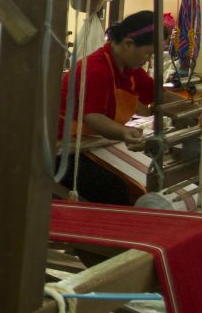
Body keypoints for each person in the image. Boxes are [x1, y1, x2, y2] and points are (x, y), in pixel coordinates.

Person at [58, 10, 181, 205]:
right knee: (118, 189)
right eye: (148, 54)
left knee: (154, 178)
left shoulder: (129, 70)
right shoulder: (95, 69)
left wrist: (195, 107)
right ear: (128, 44)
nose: (148, 60)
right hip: (65, 151)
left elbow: (158, 95)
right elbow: (93, 117)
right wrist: (124, 132)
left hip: (95, 145)